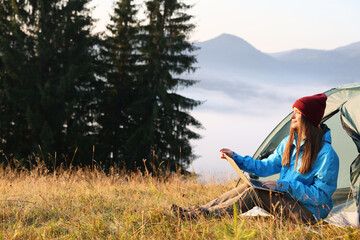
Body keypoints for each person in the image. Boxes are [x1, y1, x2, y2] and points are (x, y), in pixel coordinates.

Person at [171, 93, 339, 224]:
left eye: (297, 113)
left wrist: (284, 186)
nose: (292, 117)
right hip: (288, 200)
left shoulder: (326, 155)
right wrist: (235, 158)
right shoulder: (290, 144)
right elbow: (265, 167)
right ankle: (198, 212)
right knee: (249, 185)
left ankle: (202, 217)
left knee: (256, 193)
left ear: (308, 118)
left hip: (309, 213)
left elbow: (321, 196)